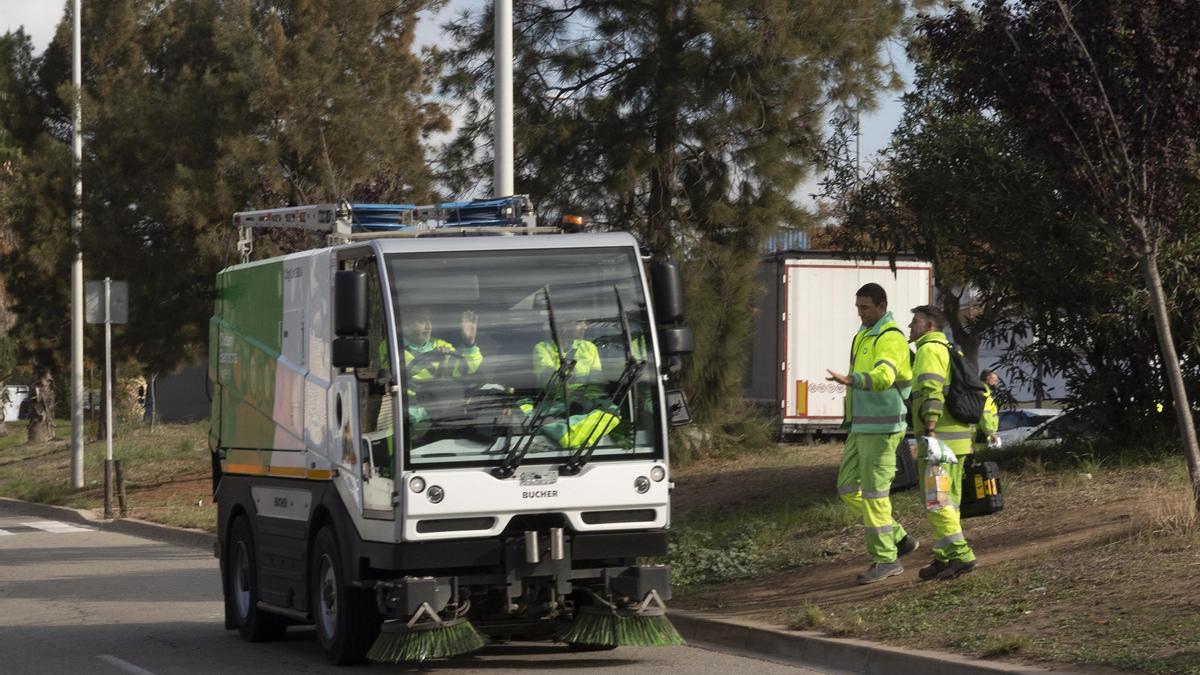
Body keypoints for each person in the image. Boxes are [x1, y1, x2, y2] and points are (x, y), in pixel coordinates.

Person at [826, 283, 919, 585]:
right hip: (862, 427)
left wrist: (853, 380)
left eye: (865, 307)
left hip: (882, 429)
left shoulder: (890, 337)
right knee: (847, 488)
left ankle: (886, 560)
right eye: (858, 307)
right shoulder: (865, 335)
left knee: (874, 495)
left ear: (881, 307)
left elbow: (884, 376)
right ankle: (899, 538)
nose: (860, 312)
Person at [908, 304, 977, 580]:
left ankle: (961, 555)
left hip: (939, 442)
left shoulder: (928, 349)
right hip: (958, 442)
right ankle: (943, 557)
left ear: (929, 326)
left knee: (937, 501)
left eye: (915, 322)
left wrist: (931, 429)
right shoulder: (950, 348)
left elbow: (931, 390)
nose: (910, 326)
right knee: (951, 502)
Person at [533, 317, 601, 385]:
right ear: (563, 326)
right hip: (557, 395)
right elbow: (549, 380)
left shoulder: (589, 347)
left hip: (585, 395)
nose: (584, 327)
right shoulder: (543, 348)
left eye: (584, 323)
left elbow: (596, 380)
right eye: (578, 323)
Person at [975, 369, 1001, 452]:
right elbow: (985, 415)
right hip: (982, 433)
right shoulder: (984, 393)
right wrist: (991, 433)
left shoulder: (984, 392)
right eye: (994, 379)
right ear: (987, 379)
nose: (996, 381)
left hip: (983, 433)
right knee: (979, 457)